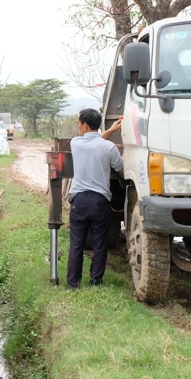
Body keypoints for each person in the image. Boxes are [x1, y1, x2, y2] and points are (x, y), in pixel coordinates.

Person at [67, 108, 124, 290]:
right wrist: (112, 132)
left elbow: (94, 141)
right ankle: (95, 281)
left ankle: (73, 284)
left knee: (76, 243)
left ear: (84, 125)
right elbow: (121, 170)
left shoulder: (75, 143)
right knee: (100, 243)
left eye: (78, 123)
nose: (78, 127)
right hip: (100, 202)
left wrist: (110, 132)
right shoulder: (108, 147)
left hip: (79, 201)